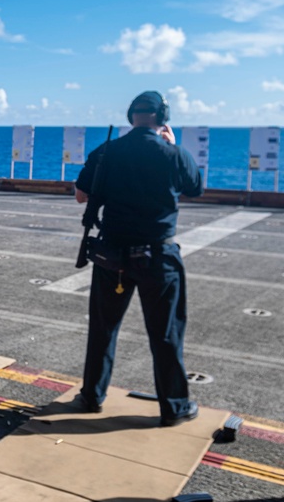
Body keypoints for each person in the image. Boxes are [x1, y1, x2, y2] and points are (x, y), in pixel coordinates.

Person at [74, 91, 204, 426]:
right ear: (163, 118)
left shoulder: (107, 152)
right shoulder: (174, 154)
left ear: (131, 116)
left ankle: (91, 396)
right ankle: (174, 407)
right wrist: (172, 145)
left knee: (103, 329)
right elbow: (194, 188)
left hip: (111, 256)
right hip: (158, 258)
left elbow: (80, 195)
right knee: (165, 334)